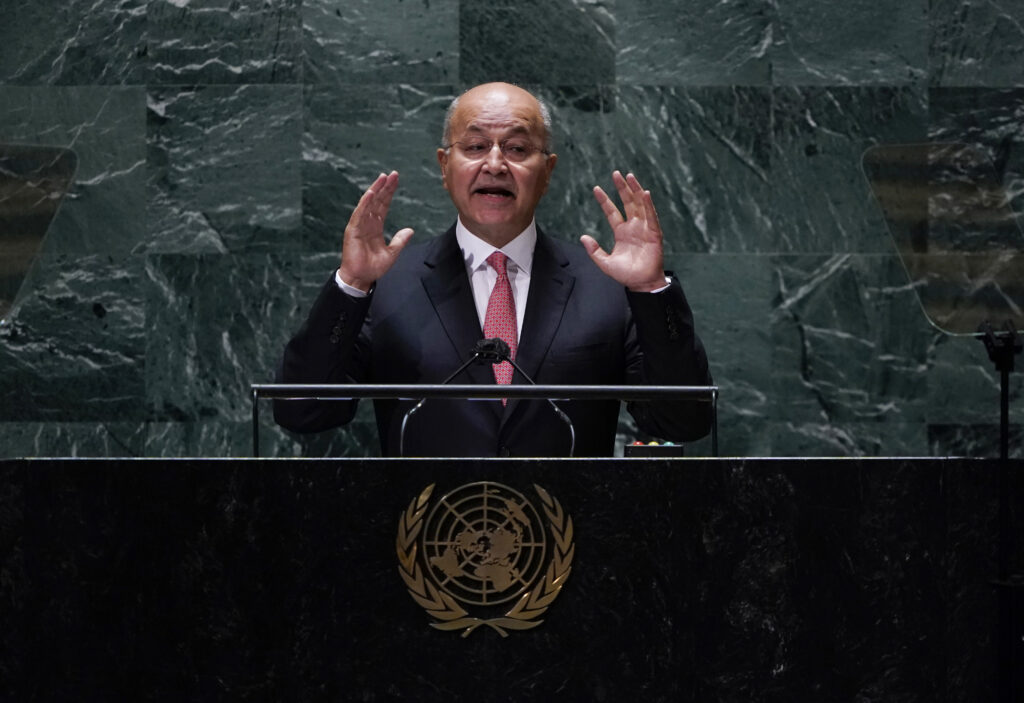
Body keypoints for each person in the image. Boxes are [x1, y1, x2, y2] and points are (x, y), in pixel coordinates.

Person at [274, 82, 712, 457]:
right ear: (445, 166)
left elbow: (683, 421)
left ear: (547, 171)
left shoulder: (608, 285)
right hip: (426, 526)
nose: (496, 164)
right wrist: (352, 285)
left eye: (518, 148)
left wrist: (650, 289)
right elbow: (303, 412)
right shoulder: (387, 284)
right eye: (475, 146)